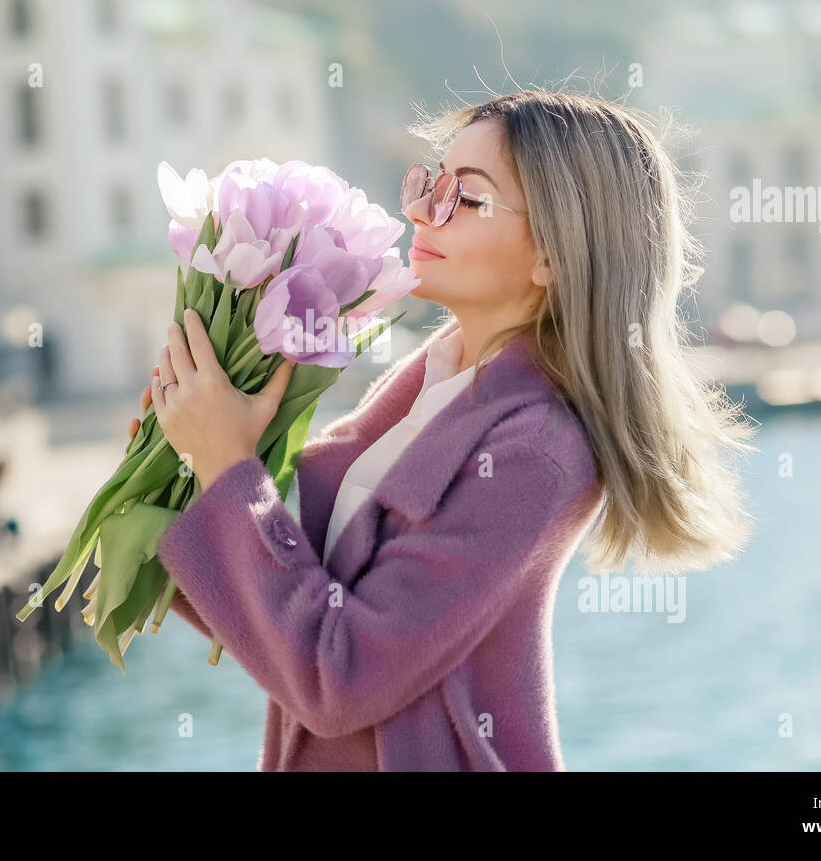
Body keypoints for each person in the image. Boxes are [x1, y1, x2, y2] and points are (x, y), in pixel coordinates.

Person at [128, 87, 756, 771]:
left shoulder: (537, 451)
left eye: (470, 198)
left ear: (556, 252)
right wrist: (184, 460)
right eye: (433, 184)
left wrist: (229, 469)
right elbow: (294, 586)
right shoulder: (433, 381)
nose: (423, 211)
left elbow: (342, 677)